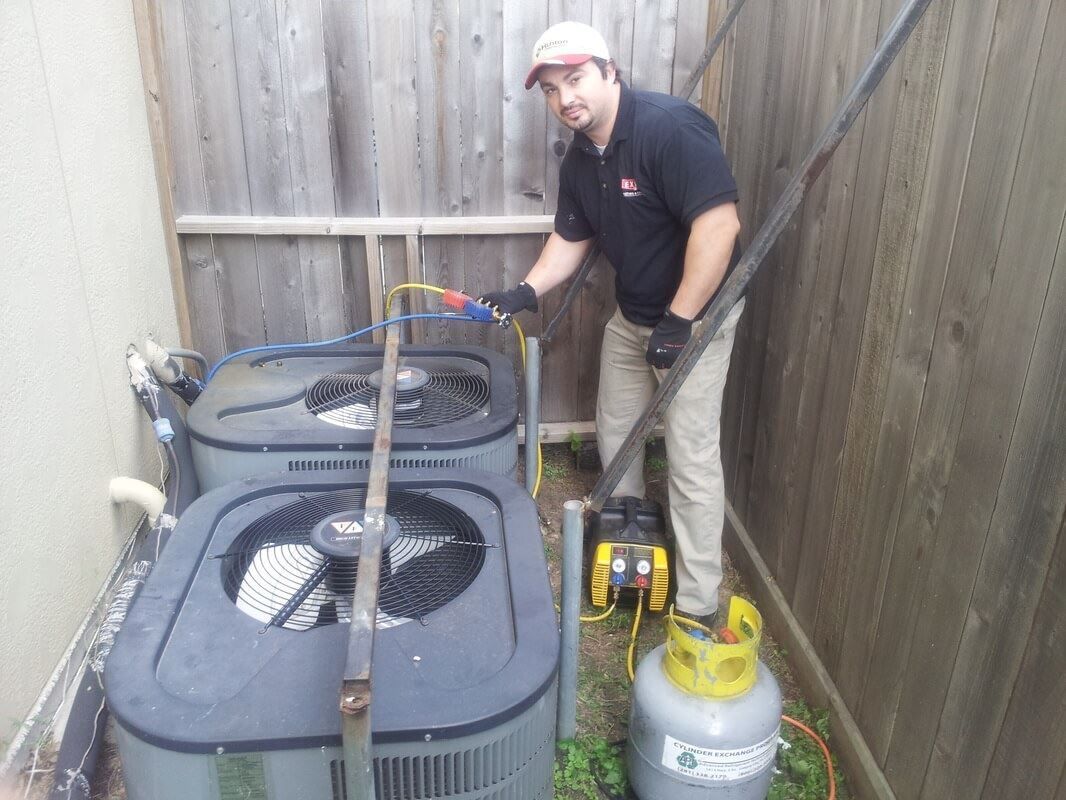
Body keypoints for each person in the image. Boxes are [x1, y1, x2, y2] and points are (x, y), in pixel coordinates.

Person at [481, 21, 744, 627]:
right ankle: (630, 544)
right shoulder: (583, 158)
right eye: (550, 90)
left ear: (609, 71)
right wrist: (525, 290)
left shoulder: (668, 129)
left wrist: (680, 321)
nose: (564, 98)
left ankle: (698, 603)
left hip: (696, 322)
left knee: (690, 454)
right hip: (635, 315)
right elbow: (572, 236)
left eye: (574, 79)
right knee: (616, 429)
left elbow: (719, 226)